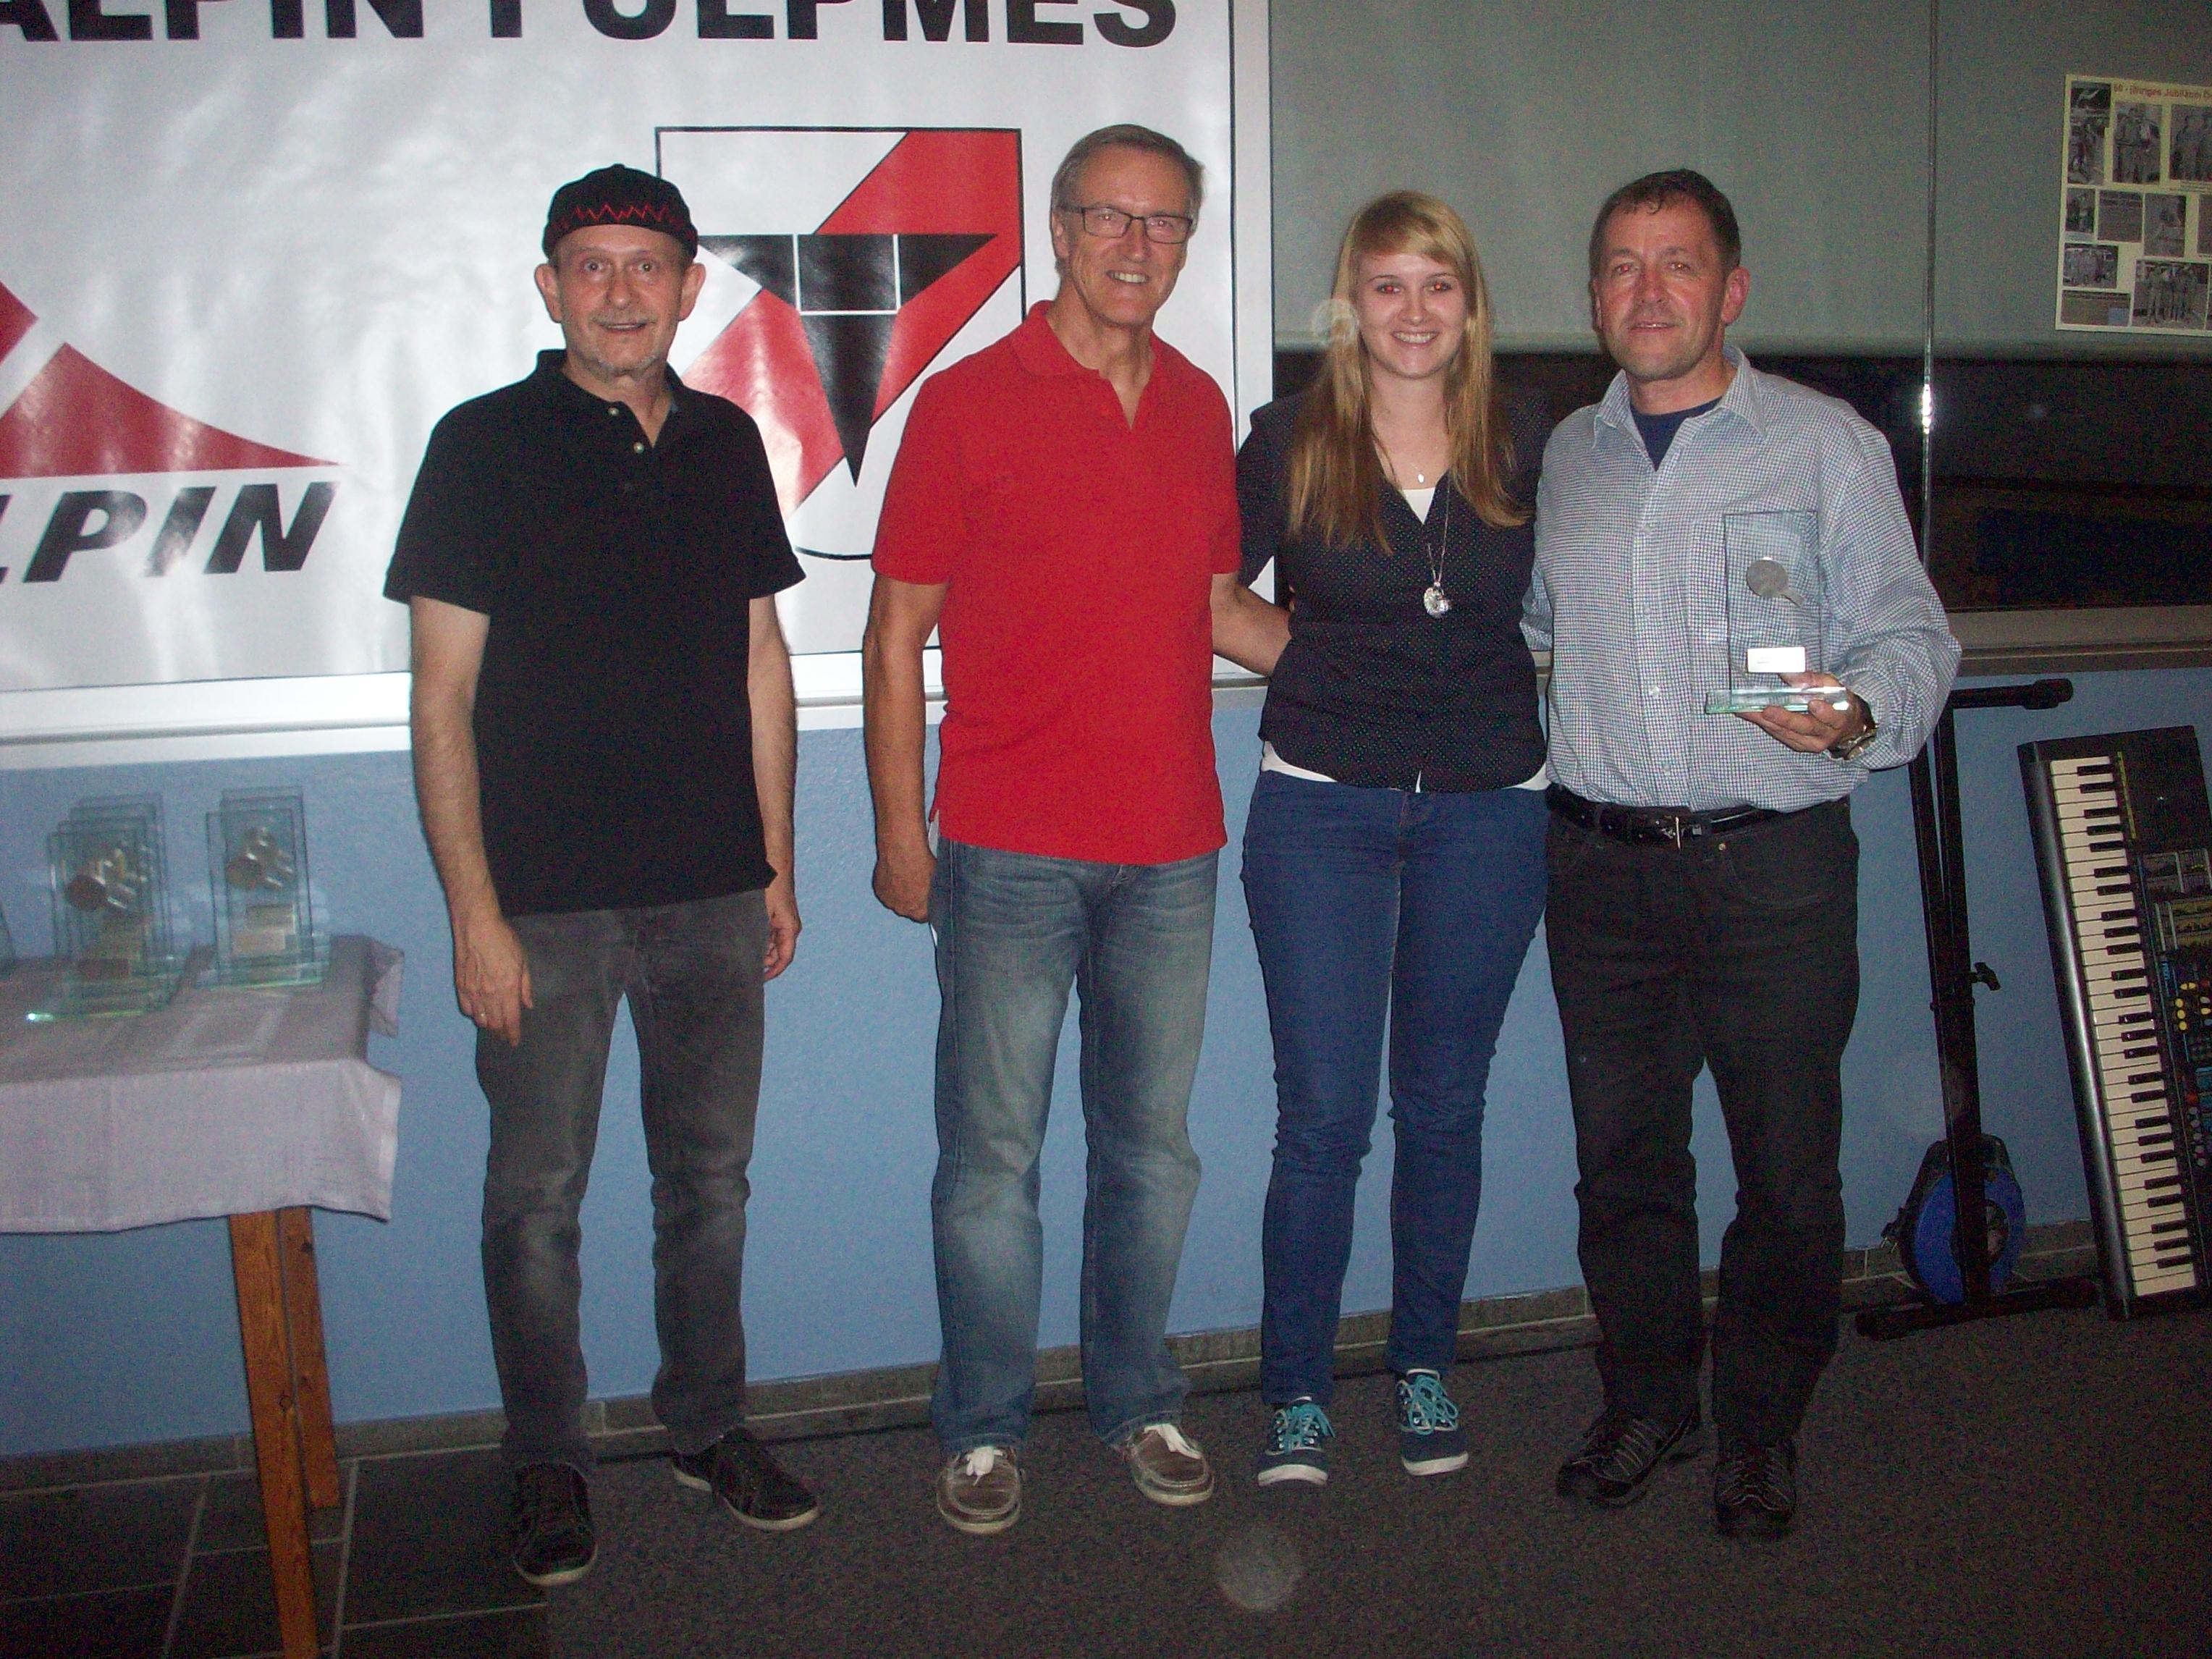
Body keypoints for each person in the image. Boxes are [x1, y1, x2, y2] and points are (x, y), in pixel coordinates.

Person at [386, 164, 818, 1587]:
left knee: (711, 1186)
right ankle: (547, 1462)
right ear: (550, 287)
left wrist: (774, 864)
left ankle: (708, 1427)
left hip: (711, 889)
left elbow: (761, 659)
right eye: (593, 265)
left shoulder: (728, 442)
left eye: (648, 265)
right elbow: (441, 699)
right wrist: (474, 915)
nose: (621, 291)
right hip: (544, 910)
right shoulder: (480, 445)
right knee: (535, 1204)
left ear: (688, 289)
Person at [862, 123, 1284, 1537]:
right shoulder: (966, 402)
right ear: (1058, 229)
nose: (1135, 245)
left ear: (1186, 243)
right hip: (1006, 849)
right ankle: (985, 1427)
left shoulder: (1200, 407)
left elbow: (1217, 609)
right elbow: (894, 635)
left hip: (1171, 846)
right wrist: (901, 834)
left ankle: (1138, 1398)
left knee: (1151, 1153)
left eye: (1164, 223)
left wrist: (1392, 670)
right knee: (992, 1162)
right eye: (1109, 216)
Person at [1524, 169, 1959, 1539]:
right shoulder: (1568, 456)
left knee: (1786, 1171)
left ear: (1732, 290)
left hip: (1771, 870)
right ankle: (1651, 1400)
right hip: (1601, 872)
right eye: (1622, 265)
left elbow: (1913, 635)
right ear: (1595, 295)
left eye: (1679, 262)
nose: (1648, 290)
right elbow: (1535, 628)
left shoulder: (1825, 446)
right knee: (1624, 1165)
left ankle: (1763, 1426)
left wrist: (1858, 712)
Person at [1233, 193, 1548, 1487]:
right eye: (1387, 286)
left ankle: (1424, 1365)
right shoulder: (1288, 439)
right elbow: (1203, 594)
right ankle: (1298, 1389)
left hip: (1489, 806)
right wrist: (1322, 671)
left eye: (1438, 285)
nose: (1414, 312)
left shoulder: (1524, 440)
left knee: (1446, 1105)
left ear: (1470, 304)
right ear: (1350, 304)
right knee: (1323, 1118)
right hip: (1323, 805)